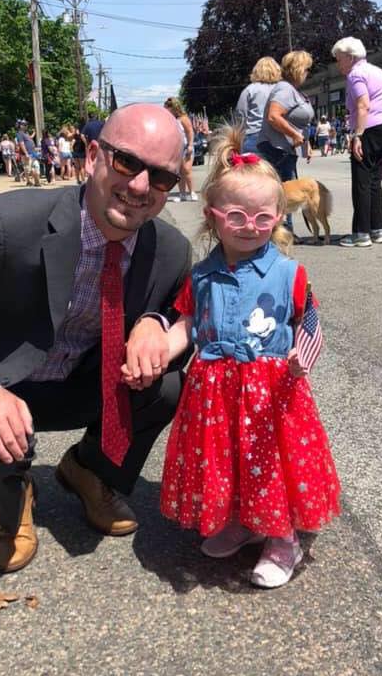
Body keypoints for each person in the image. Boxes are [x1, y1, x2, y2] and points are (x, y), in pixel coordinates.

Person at [0, 103, 191, 574]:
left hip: (83, 382)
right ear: (93, 155)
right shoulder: (6, 224)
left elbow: (184, 312)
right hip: (5, 384)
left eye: (160, 178)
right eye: (127, 162)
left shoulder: (170, 249)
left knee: (169, 383)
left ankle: (90, 471)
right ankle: (14, 489)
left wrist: (155, 320)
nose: (139, 187)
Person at [124, 125, 340, 589]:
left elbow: (310, 322)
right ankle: (243, 521)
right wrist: (160, 352)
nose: (250, 227)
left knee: (271, 461)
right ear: (213, 216)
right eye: (237, 216)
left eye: (263, 217)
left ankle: (282, 537)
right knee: (231, 460)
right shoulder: (202, 275)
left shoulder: (289, 273)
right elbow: (187, 324)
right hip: (216, 389)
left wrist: (303, 357)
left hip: (273, 390)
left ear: (280, 215)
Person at [332, 36, 382, 247]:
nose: (337, 63)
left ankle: (361, 233)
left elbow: (363, 105)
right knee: (375, 180)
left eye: (339, 58)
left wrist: (357, 135)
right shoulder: (378, 71)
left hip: (370, 127)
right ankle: (377, 230)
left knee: (361, 181)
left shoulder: (356, 74)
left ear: (351, 57)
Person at [257, 50, 315, 232]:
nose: (308, 73)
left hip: (284, 150)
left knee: (283, 195)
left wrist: (306, 142)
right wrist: (295, 136)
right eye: (307, 69)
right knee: (282, 196)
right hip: (277, 150)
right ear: (299, 69)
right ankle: (283, 234)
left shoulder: (290, 90)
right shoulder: (284, 89)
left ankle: (283, 233)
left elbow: (295, 121)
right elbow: (274, 117)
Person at [235, 56, 282, 154]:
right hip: (278, 135)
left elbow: (241, 115)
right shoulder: (282, 90)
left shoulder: (250, 90)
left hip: (254, 135)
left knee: (253, 168)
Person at [164, 97, 197, 202]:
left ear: (173, 108)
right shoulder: (171, 119)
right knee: (179, 173)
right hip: (177, 148)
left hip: (186, 147)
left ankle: (192, 192)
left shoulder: (183, 118)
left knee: (186, 170)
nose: (166, 111)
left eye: (167, 108)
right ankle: (182, 194)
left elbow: (190, 132)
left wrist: (190, 145)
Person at [15, 119, 41, 187]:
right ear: (20, 126)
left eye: (26, 124)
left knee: (36, 167)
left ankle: (36, 181)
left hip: (33, 153)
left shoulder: (26, 133)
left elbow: (30, 138)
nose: (26, 126)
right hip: (27, 154)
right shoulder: (19, 134)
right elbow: (21, 144)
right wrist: (26, 153)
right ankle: (29, 181)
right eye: (24, 124)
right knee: (28, 169)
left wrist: (34, 132)